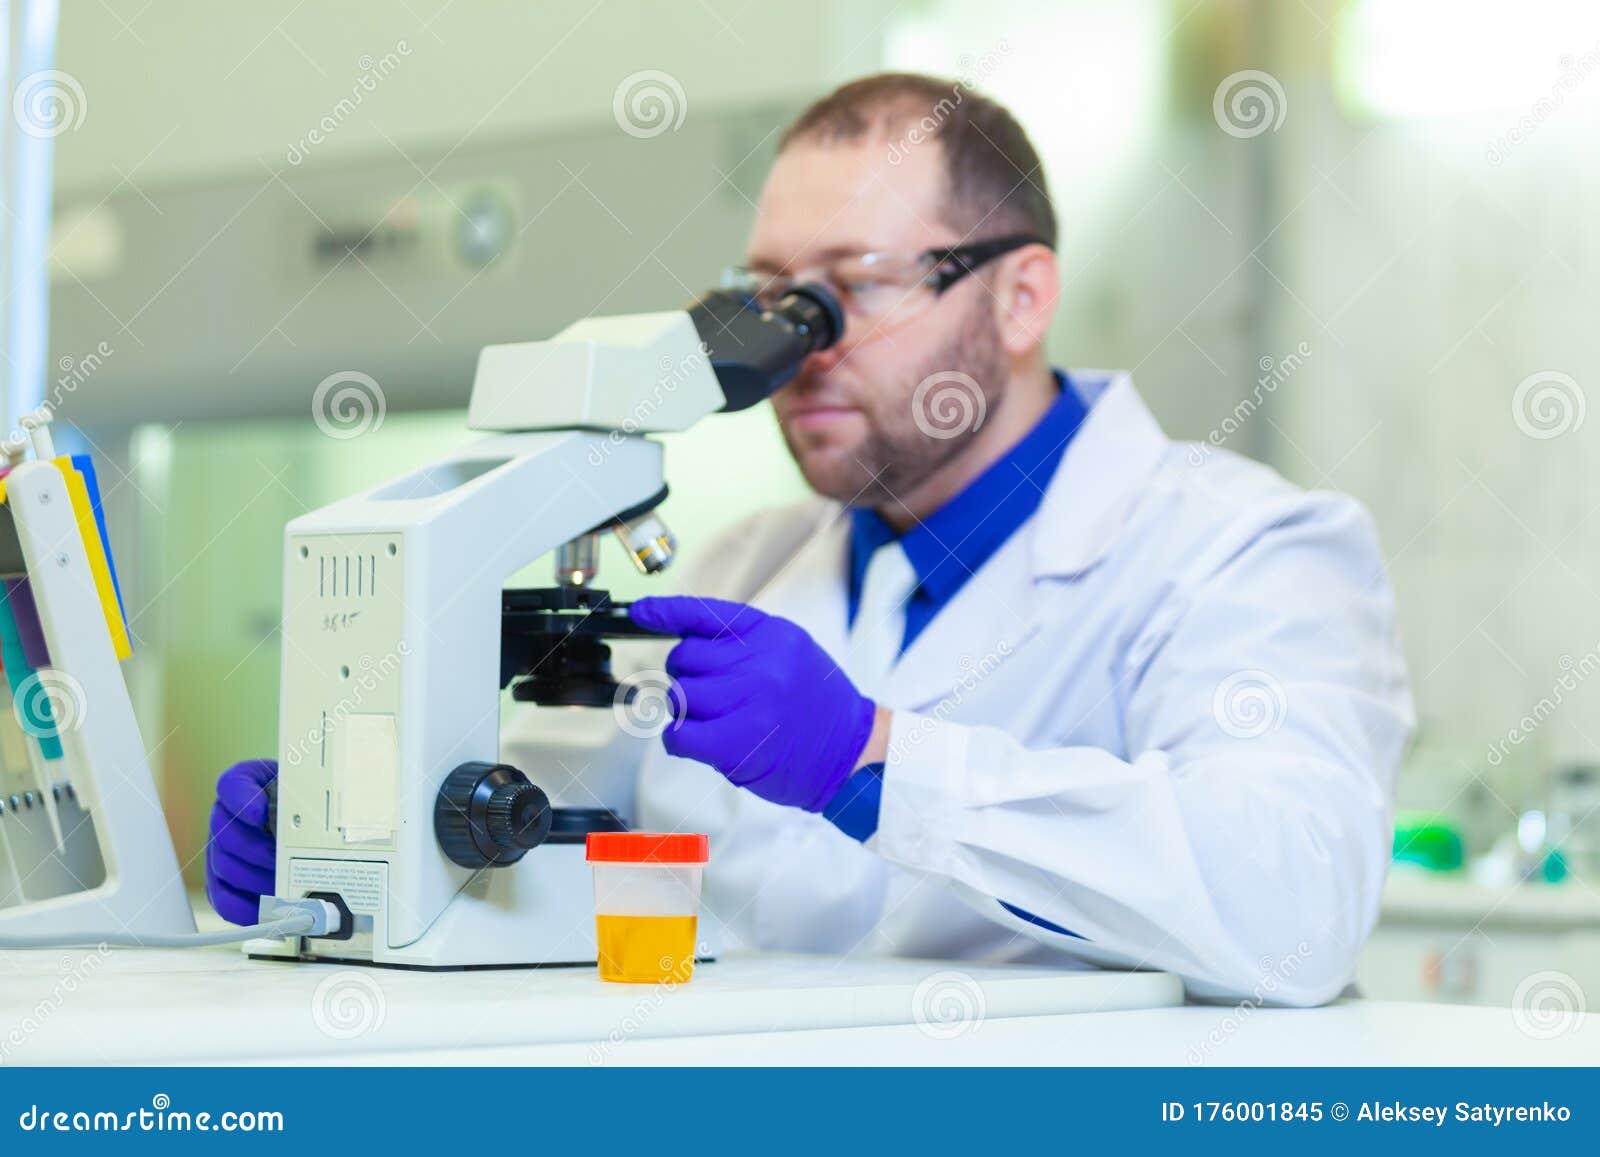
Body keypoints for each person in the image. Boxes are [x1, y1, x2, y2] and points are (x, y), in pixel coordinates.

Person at [208, 73, 1412, 1005]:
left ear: (1020, 295)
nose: (796, 346)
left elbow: (1293, 908)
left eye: (852, 288)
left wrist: (874, 756)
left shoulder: (1246, 551)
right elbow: (546, 836)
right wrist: (361, 840)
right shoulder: (743, 565)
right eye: (771, 295)